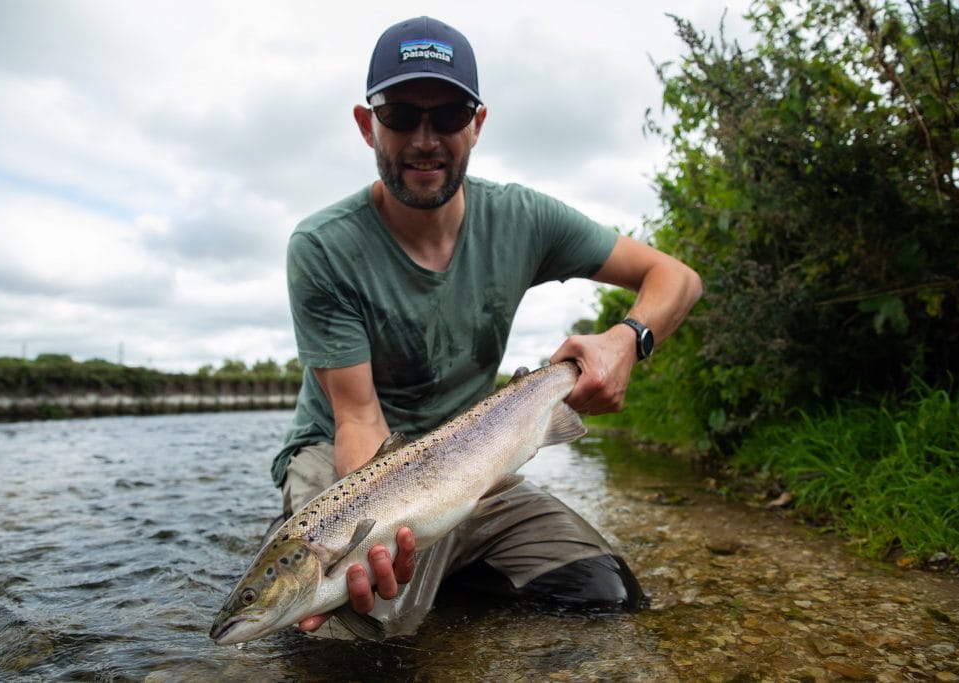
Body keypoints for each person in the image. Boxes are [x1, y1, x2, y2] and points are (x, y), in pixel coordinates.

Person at [270, 15, 702, 638]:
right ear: (368, 125)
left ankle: (452, 571)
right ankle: (407, 571)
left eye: (447, 115)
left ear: (477, 124)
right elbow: (358, 419)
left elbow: (675, 277)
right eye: (400, 115)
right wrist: (381, 535)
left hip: (472, 452)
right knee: (346, 644)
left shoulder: (524, 218)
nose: (425, 139)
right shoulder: (323, 248)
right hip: (352, 464)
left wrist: (627, 339)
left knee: (604, 598)